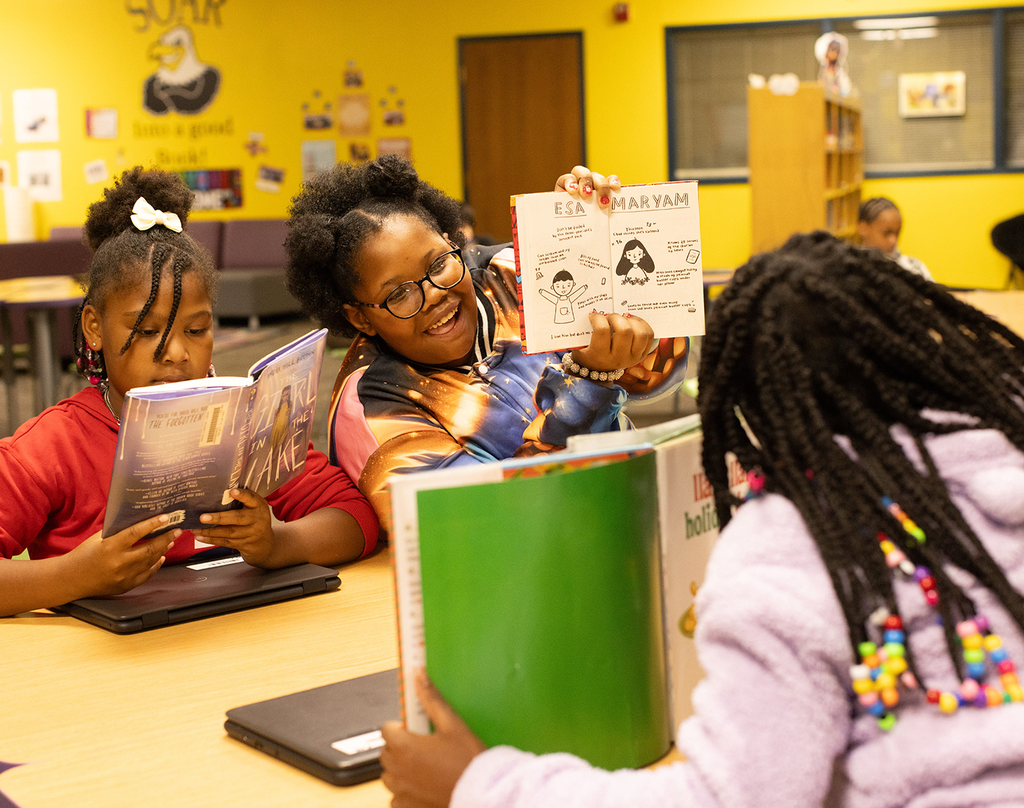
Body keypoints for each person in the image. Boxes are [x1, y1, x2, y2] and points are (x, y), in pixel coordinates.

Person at [378, 231, 1024, 808]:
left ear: (739, 403)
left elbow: (724, 795)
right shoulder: (1004, 446)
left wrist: (478, 784)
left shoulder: (785, 553)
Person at [0, 167, 379, 618]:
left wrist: (278, 542)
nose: (176, 353)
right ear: (94, 328)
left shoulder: (248, 426)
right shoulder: (54, 445)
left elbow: (356, 518)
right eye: (146, 330)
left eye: (196, 330)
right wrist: (74, 577)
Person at [284, 157, 688, 530]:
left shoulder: (512, 275)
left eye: (439, 263)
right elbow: (482, 523)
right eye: (399, 294)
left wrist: (591, 240)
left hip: (636, 514)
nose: (435, 295)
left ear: (450, 239)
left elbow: (658, 374)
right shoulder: (372, 406)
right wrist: (588, 384)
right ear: (359, 316)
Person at [857, 197, 935, 281]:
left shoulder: (913, 267)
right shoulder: (853, 269)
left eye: (897, 233)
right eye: (887, 233)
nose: (893, 240)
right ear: (863, 229)